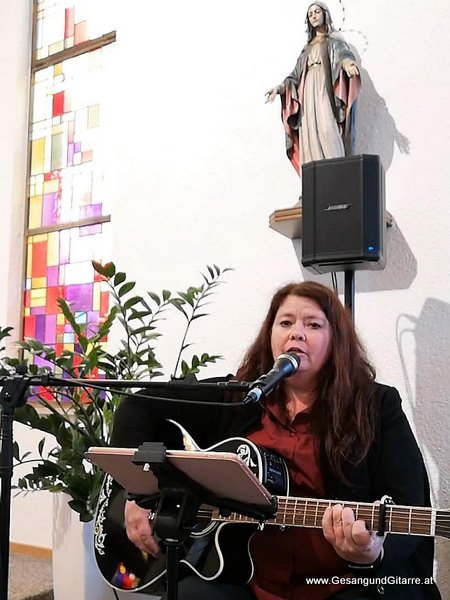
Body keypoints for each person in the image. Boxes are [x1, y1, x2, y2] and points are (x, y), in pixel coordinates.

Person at [112, 281, 441, 600]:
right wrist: (136, 492)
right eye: (285, 322)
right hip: (246, 580)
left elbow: (410, 505)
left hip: (342, 584)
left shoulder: (376, 407)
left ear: (336, 340)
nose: (296, 332)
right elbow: (138, 406)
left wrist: (373, 552)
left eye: (313, 324)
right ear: (270, 336)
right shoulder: (236, 399)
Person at [265, 2, 361, 174]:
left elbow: (343, 55)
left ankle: (337, 175)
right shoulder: (306, 49)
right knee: (309, 134)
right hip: (307, 93)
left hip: (324, 89)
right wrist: (279, 89)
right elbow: (294, 76)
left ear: (325, 14)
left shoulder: (333, 42)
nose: (314, 16)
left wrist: (347, 64)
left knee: (327, 128)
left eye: (317, 12)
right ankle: (314, 180)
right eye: (310, 14)